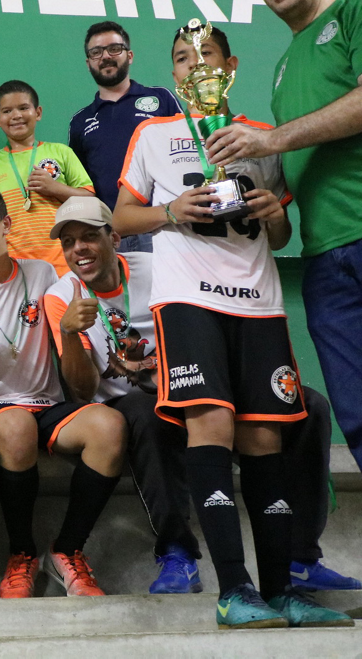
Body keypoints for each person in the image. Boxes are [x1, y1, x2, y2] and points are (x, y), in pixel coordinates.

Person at [114, 34, 353, 628]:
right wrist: (171, 212)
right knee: (213, 425)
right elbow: (120, 217)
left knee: (265, 438)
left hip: (258, 303)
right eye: (182, 58)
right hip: (188, 300)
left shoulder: (263, 137)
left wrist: (276, 216)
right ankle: (234, 590)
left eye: (207, 56)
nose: (195, 65)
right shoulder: (153, 134)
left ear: (231, 65)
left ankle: (280, 591)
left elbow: (279, 236)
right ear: (172, 72)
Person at [46, 194, 359, 596]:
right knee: (149, 411)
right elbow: (83, 390)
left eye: (89, 236)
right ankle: (177, 553)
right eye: (68, 242)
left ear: (115, 239)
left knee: (309, 406)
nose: (78, 249)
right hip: (136, 405)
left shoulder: (158, 266)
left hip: (203, 385)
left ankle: (302, 558)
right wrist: (70, 333)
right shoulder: (61, 296)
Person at [206, 0, 362, 479]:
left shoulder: (354, 13)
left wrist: (270, 140)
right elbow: (297, 159)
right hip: (324, 256)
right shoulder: (282, 67)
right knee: (356, 414)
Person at [0, 185, 125, 598]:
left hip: (48, 404)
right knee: (17, 426)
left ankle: (68, 549)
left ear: (5, 224)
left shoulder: (41, 273)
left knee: (109, 426)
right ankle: (21, 553)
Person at [68, 21, 182, 253]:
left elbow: (187, 153)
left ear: (129, 56)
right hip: (109, 238)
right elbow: (81, 187)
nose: (105, 56)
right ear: (88, 63)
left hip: (163, 229)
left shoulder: (161, 98)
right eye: (96, 52)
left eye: (114, 49)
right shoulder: (80, 122)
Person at [0, 81, 95, 273]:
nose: (16, 115)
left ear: (38, 112)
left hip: (65, 262)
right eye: (7, 111)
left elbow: (89, 200)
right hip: (16, 266)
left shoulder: (61, 152)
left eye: (23, 108)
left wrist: (55, 188)